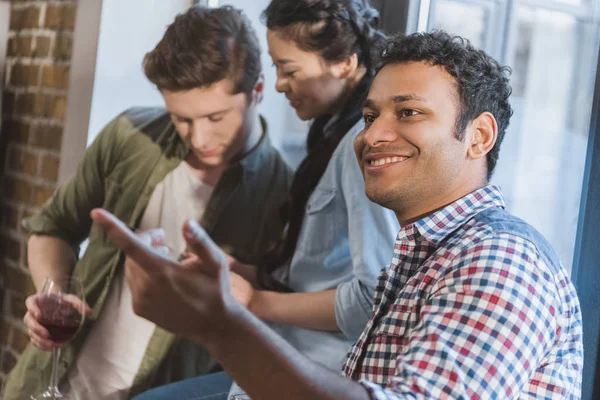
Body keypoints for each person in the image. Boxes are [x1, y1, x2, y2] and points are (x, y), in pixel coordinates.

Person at [94, 30, 583, 399]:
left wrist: (221, 323)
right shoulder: (423, 257)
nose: (371, 136)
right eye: (370, 117)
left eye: (408, 112)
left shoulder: (501, 259)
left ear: (479, 136)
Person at [1, 6, 292, 400]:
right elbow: (52, 227)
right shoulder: (131, 134)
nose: (199, 137)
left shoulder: (283, 198)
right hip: (51, 385)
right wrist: (52, 295)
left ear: (257, 90)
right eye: (182, 119)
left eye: (215, 116)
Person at [133, 0, 399, 398]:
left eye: (288, 70)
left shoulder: (358, 146)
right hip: (290, 351)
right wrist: (241, 272)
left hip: (319, 367)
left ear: (344, 62)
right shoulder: (328, 137)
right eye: (275, 68)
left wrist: (258, 301)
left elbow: (371, 299)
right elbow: (319, 271)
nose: (277, 84)